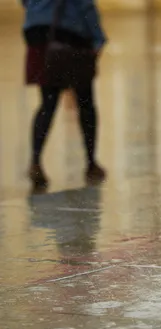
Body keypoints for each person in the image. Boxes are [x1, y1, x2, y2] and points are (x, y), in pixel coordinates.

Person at [22, 0, 107, 188]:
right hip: (69, 33)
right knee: (85, 101)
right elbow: (84, 4)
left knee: (47, 102)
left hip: (38, 33)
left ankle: (35, 160)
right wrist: (98, 36)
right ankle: (91, 163)